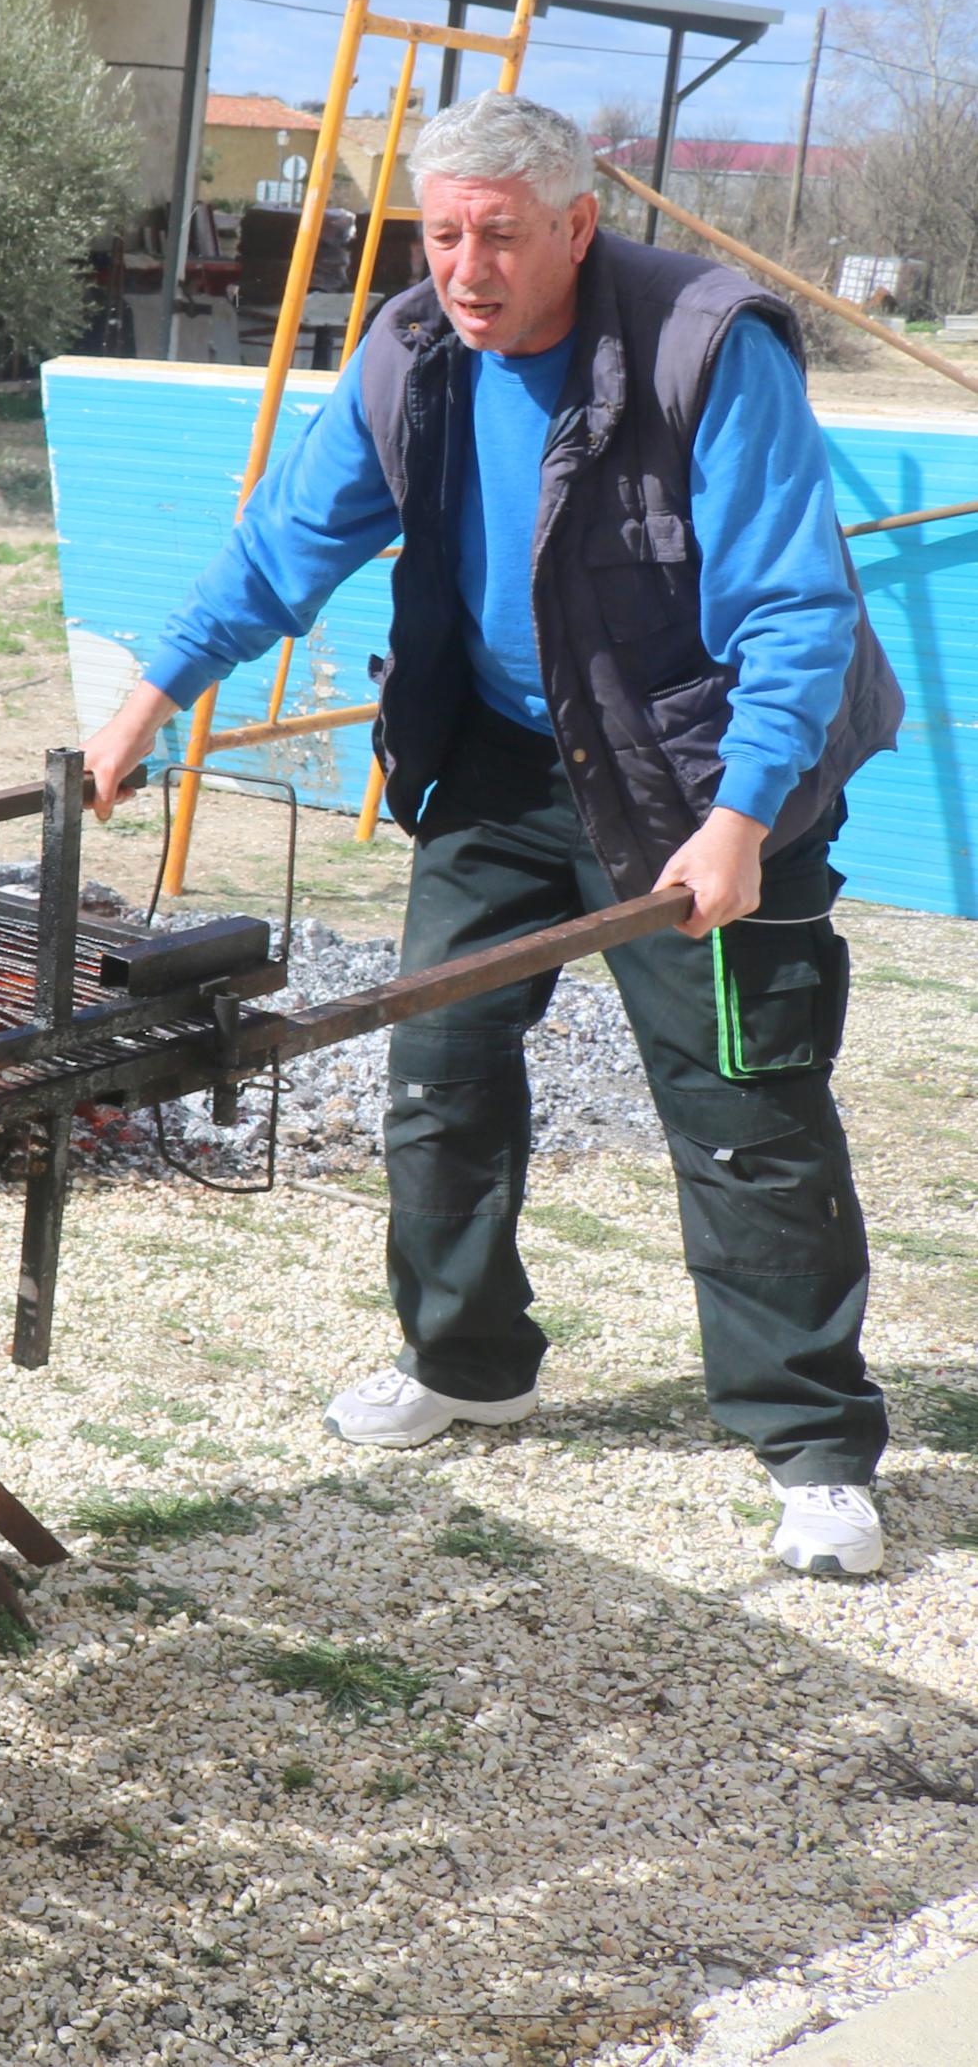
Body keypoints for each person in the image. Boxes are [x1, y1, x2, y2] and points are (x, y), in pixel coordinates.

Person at [83, 92, 902, 1576]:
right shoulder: (411, 354)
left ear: (577, 229)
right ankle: (471, 1365)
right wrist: (151, 698)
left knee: (747, 1109)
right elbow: (287, 544)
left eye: (498, 238)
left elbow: (796, 611)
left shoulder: (709, 346)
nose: (464, 268)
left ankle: (816, 1450)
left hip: (702, 782)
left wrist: (740, 822)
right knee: (439, 1068)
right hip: (507, 768)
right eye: (441, 234)